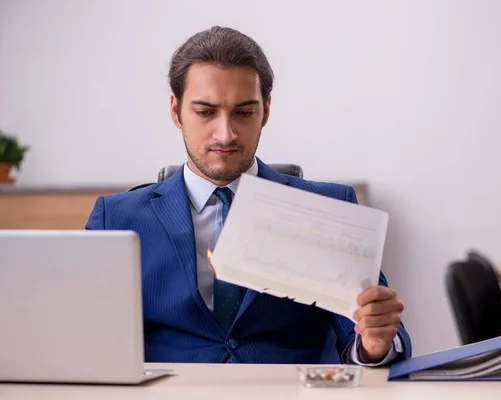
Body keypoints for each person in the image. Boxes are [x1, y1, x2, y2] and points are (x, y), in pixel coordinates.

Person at [86, 26, 411, 365]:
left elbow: (373, 337)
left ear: (265, 111)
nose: (225, 134)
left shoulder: (329, 208)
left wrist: (374, 344)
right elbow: (86, 341)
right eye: (205, 112)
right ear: (175, 111)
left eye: (243, 112)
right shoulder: (117, 218)